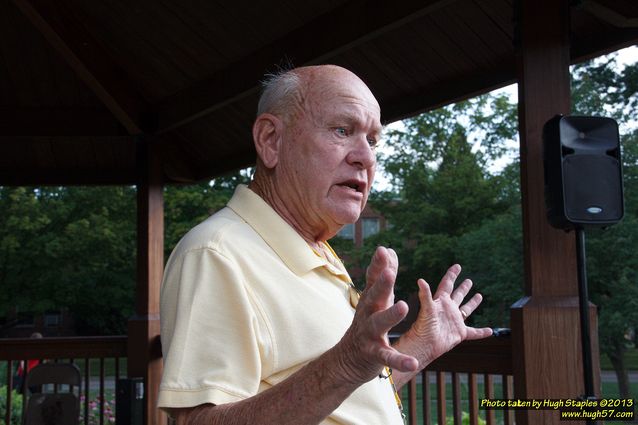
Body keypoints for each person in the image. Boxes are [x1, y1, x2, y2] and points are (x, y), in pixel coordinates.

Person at [158, 65, 493, 424]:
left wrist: (420, 345)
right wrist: (345, 364)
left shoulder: (317, 249)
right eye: (342, 130)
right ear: (271, 140)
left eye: (373, 140)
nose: (365, 157)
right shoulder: (216, 253)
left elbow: (342, 401)